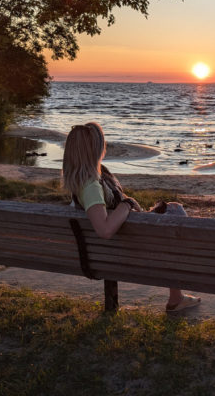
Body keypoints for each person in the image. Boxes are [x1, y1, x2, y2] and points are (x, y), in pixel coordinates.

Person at [62, 122, 201, 313]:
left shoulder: (80, 182)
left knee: (172, 208)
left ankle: (177, 295)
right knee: (176, 214)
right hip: (124, 250)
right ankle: (176, 296)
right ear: (94, 149)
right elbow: (104, 230)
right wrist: (127, 204)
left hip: (108, 251)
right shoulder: (91, 186)